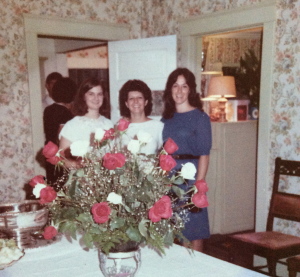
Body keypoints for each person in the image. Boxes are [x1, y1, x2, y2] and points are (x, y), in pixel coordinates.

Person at [161, 68, 212, 252]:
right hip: (169, 180)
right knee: (171, 231)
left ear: (190, 90)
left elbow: (204, 154)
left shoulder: (200, 118)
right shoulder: (166, 119)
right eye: (175, 86)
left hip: (190, 180)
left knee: (192, 231)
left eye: (184, 86)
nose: (180, 91)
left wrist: (198, 185)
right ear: (170, 89)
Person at [59, 78, 112, 167]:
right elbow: (60, 159)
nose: (96, 98)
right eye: (91, 94)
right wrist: (76, 164)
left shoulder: (109, 124)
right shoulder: (72, 125)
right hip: (82, 178)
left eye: (99, 94)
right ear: (83, 96)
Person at [43, 77, 77, 183]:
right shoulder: (64, 112)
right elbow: (61, 135)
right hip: (60, 155)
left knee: (53, 183)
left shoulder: (48, 109)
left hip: (49, 152)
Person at [118, 79, 164, 155]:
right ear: (126, 103)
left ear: (146, 102)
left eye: (139, 98)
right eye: (131, 98)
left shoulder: (158, 126)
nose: (136, 101)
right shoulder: (120, 127)